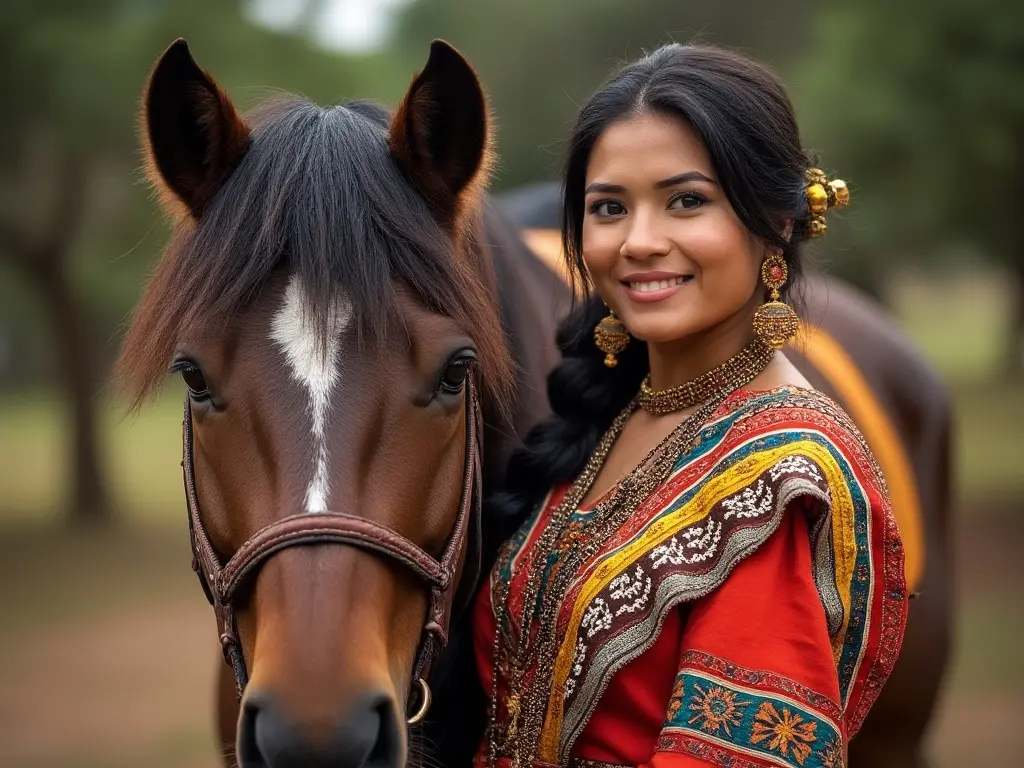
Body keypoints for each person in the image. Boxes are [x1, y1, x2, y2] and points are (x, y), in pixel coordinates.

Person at [472, 44, 908, 768]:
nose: (639, 242)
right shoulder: (613, 417)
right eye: (609, 208)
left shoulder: (780, 476)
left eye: (687, 201)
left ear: (778, 219)